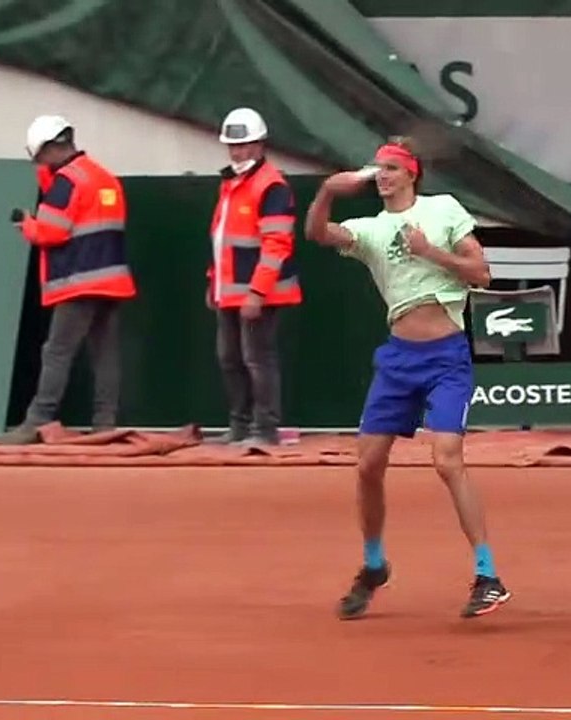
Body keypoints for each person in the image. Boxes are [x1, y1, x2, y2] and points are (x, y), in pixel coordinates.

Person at [303, 135, 511, 620]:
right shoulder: (371, 229)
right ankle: (373, 565)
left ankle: (488, 574)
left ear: (411, 173)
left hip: (446, 357)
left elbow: (481, 273)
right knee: (367, 466)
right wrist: (328, 193)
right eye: (377, 169)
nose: (382, 175)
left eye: (391, 168)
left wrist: (430, 253)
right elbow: (318, 234)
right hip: (398, 359)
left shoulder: (443, 211)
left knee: (446, 459)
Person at [0, 115, 136, 444]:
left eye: (39, 157)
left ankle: (36, 422)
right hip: (111, 281)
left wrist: (28, 224)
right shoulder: (104, 177)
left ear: (46, 149)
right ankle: (105, 425)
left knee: (56, 352)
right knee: (105, 355)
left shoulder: (67, 182)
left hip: (79, 283)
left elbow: (52, 231)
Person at [206, 107, 302, 446]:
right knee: (230, 359)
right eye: (232, 146)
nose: (237, 152)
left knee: (257, 360)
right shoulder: (232, 184)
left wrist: (256, 293)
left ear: (260, 145)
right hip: (228, 292)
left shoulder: (271, 186)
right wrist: (213, 281)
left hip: (258, 294)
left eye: (244, 145)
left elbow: (276, 244)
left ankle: (264, 430)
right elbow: (221, 237)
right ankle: (240, 426)